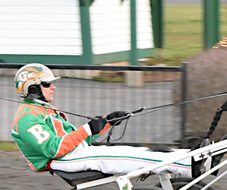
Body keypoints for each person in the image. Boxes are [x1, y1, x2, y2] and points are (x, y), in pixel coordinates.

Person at [11, 63, 192, 177]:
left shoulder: (42, 110)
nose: (53, 87)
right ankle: (187, 165)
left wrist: (106, 122)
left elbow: (79, 140)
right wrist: (88, 129)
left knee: (139, 151)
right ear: (33, 88)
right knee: (127, 156)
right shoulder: (27, 118)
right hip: (61, 160)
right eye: (47, 84)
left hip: (73, 154)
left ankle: (191, 156)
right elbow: (54, 149)